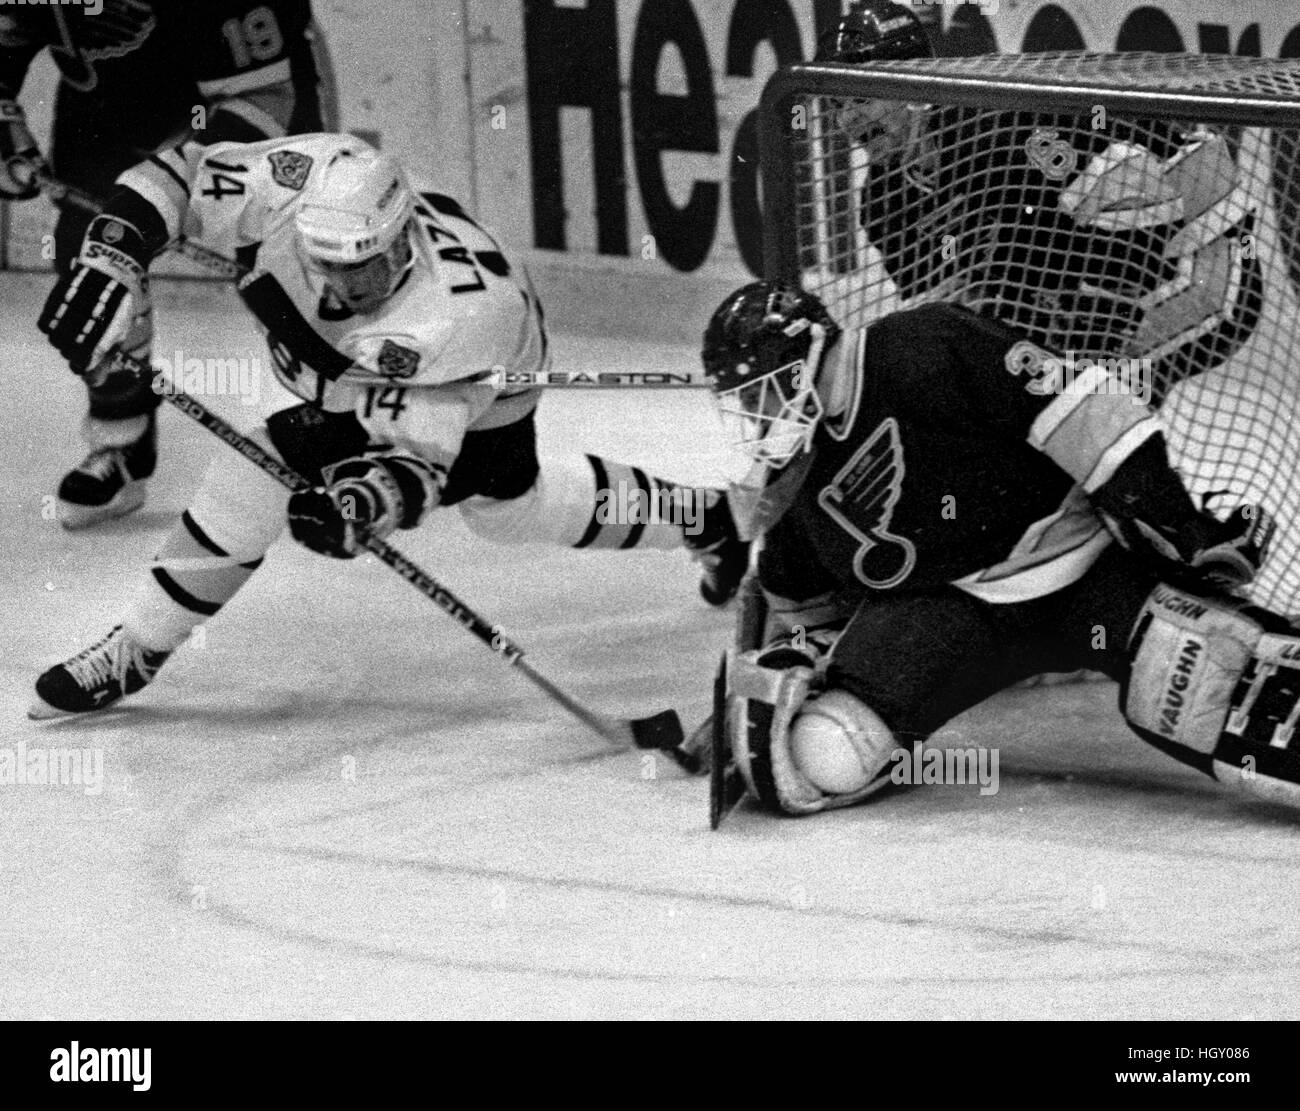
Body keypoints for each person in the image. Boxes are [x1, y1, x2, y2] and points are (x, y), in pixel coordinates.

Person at [28, 132, 746, 717]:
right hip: (361, 372)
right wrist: (113, 253)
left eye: (363, 266)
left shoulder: (451, 320)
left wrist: (363, 503)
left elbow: (410, 458)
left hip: (484, 382)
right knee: (509, 508)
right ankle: (704, 514)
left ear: (401, 237)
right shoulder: (296, 180)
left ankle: (706, 515)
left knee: (496, 503)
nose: (343, 286)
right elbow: (178, 171)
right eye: (326, 264)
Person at [700, 280, 1300, 819]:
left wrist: (1175, 526)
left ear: (805, 353)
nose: (759, 417)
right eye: (746, 404)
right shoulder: (793, 477)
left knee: (1208, 679)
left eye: (764, 393)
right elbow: (811, 614)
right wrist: (797, 669)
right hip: (951, 617)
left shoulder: (924, 344)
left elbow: (1086, 410)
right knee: (825, 750)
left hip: (1087, 572)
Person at [817, 1, 1265, 400]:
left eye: (860, 98)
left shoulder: (998, 130)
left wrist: (1083, 343)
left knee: (1097, 409)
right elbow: (943, 317)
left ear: (908, 83)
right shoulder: (881, 202)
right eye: (837, 104)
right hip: (1120, 287)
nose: (846, 119)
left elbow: (1132, 228)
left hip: (1211, 267)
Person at [0, 0, 337, 528]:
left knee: (295, 259)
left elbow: (267, 97)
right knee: (92, 263)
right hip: (104, 107)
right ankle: (122, 442)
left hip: (248, 96)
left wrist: (163, 192)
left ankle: (351, 422)